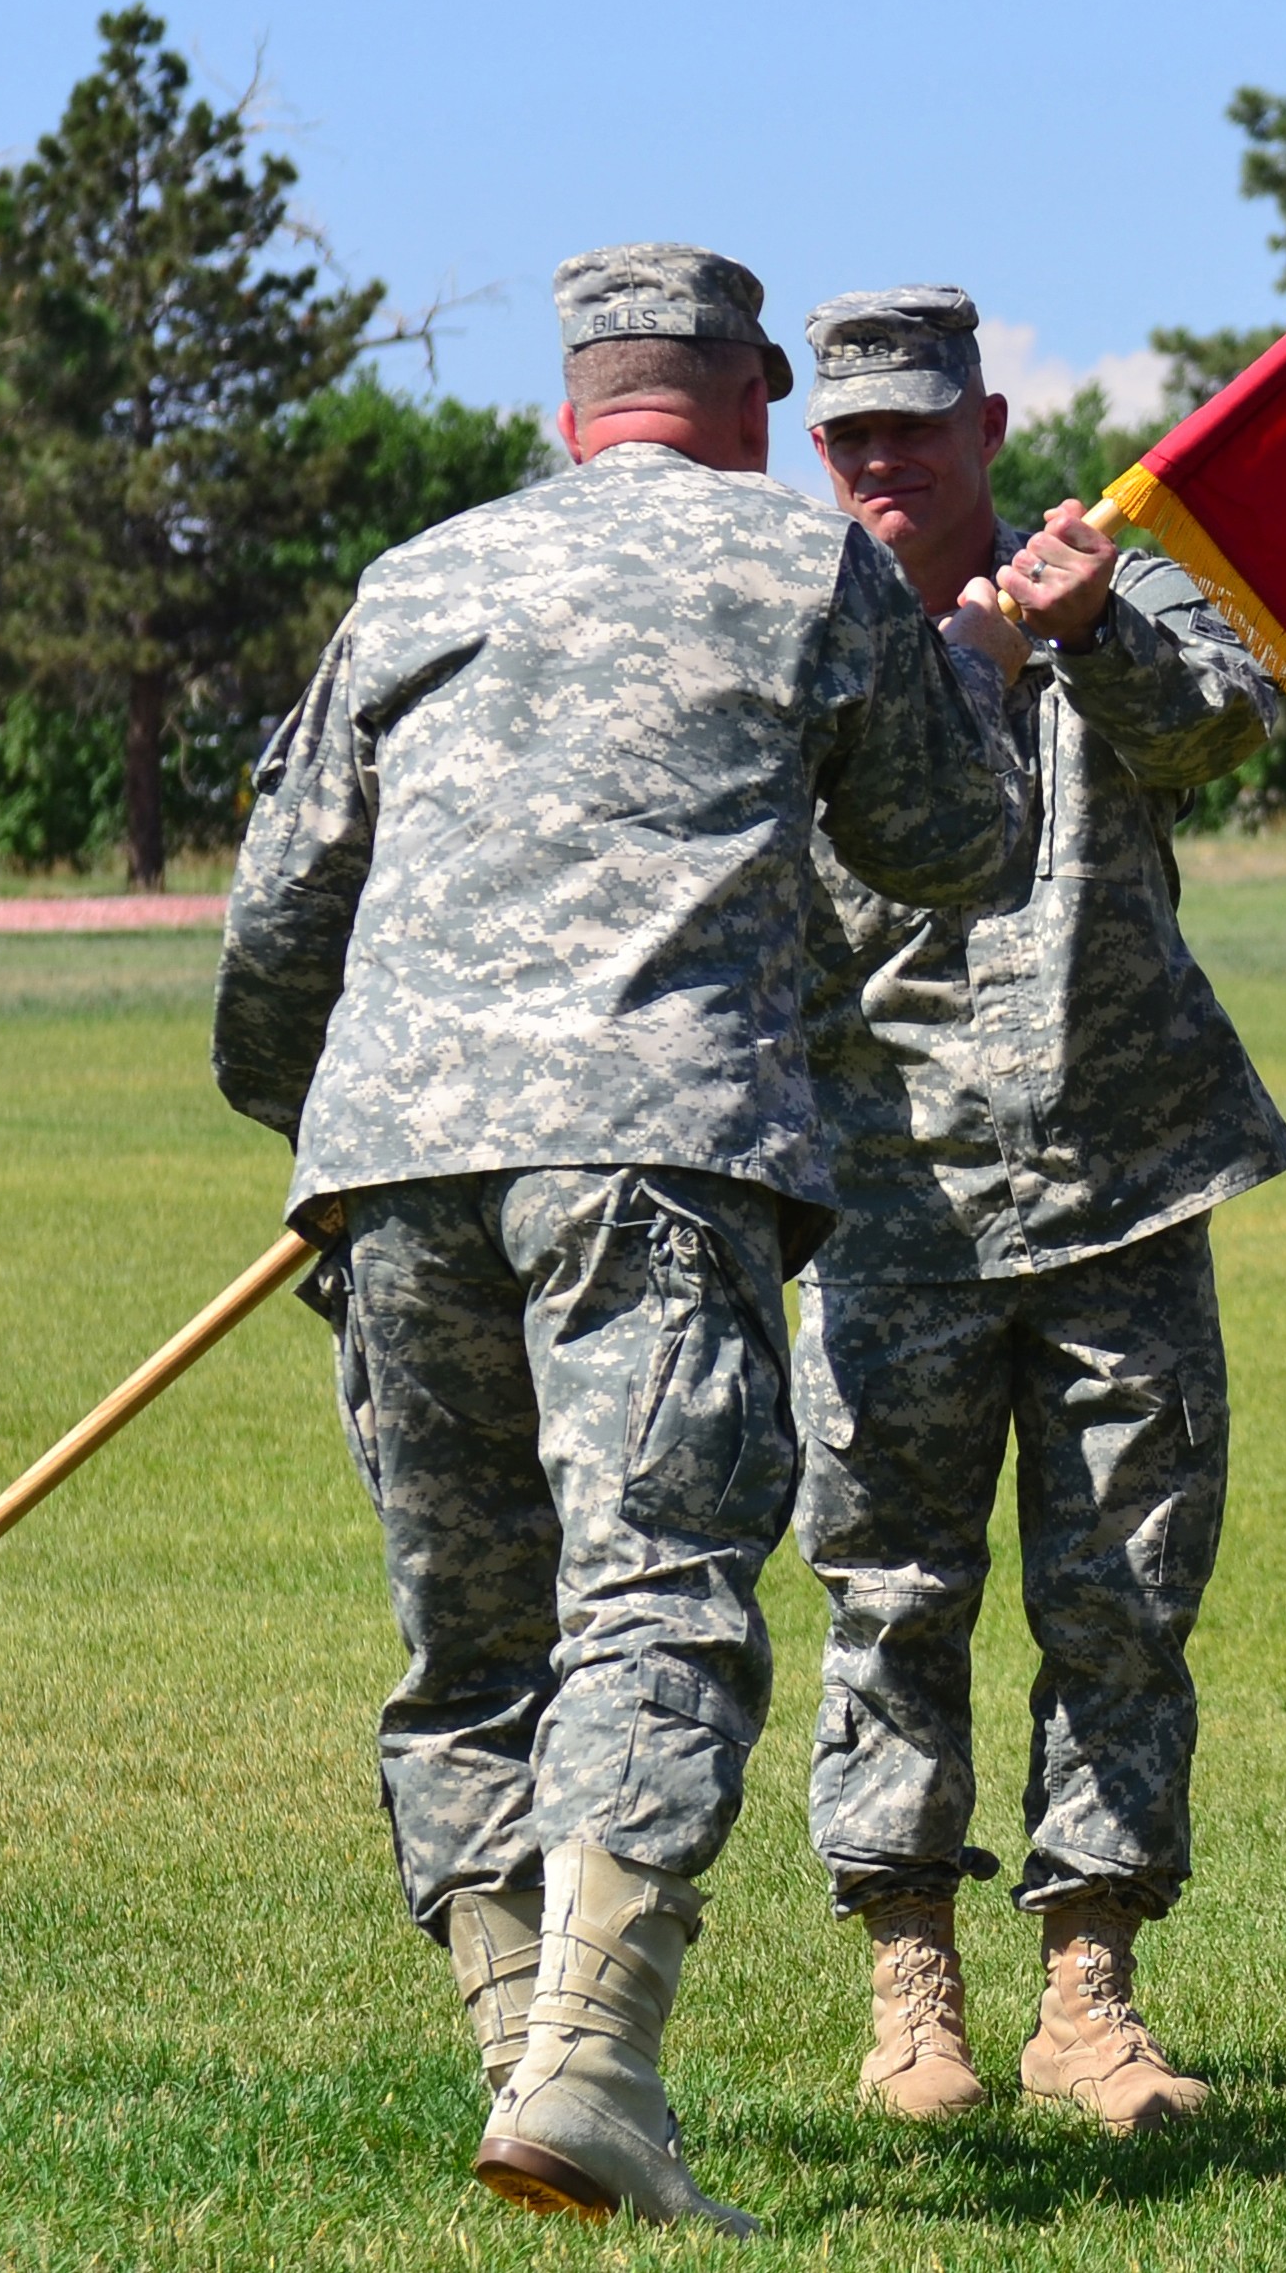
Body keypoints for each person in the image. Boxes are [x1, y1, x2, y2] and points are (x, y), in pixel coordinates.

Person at [211, 246, 1033, 2232]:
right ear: (749, 394)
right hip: (654, 1157)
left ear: (573, 400)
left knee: (471, 1635)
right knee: (650, 1595)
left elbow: (274, 917)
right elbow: (955, 844)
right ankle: (589, 2067)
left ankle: (531, 2068)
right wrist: (990, 667)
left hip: (394, 1165)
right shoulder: (800, 564)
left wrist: (321, 1123)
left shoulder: (418, 577)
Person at [794, 285, 1286, 2133]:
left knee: (1123, 1604)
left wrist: (1087, 638)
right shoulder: (792, 613)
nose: (880, 461)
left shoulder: (1111, 575)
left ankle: (1089, 1990)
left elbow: (1231, 722)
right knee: (891, 1595)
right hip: (882, 1193)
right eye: (848, 435)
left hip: (1118, 1173)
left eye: (913, 427)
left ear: (986, 426)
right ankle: (908, 1980)